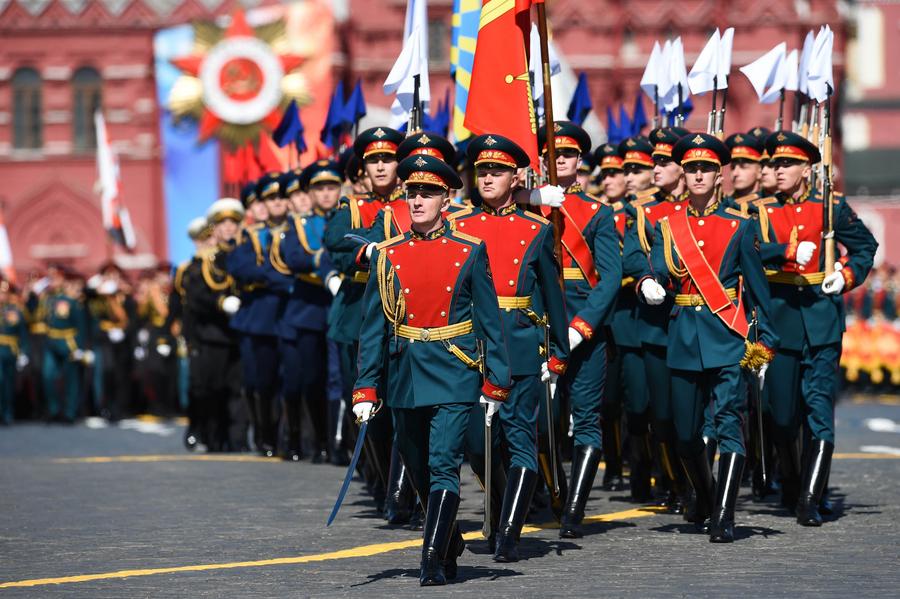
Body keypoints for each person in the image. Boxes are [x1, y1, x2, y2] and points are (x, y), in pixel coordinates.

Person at [351, 153, 511, 586]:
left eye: (428, 193)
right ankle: (450, 539)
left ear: (447, 197)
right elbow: (373, 328)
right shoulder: (387, 255)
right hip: (406, 372)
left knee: (444, 464)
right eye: (412, 193)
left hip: (454, 368)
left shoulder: (470, 250)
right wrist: (366, 387)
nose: (418, 200)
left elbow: (490, 319)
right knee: (417, 465)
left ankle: (431, 559)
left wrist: (496, 380)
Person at [639, 132, 778, 543]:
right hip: (681, 336)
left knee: (728, 425)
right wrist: (648, 281)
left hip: (728, 335)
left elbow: (757, 287)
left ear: (719, 175)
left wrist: (765, 338)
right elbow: (657, 270)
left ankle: (723, 515)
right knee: (685, 436)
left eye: (706, 169)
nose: (698, 175)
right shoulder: (668, 226)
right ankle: (704, 494)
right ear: (684, 173)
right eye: (693, 168)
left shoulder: (738, 225)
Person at [448, 133, 569, 562]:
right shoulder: (457, 225)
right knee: (474, 442)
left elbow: (554, 298)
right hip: (469, 346)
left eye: (496, 171)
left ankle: (509, 531)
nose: (487, 178)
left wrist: (558, 353)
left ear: (516, 177)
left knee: (519, 439)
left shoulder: (535, 229)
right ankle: (499, 509)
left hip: (518, 342)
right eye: (481, 170)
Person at [753, 130, 877, 526]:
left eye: (786, 164)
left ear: (807, 169)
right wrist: (783, 253)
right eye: (774, 164)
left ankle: (810, 497)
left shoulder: (831, 207)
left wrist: (844, 274)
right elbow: (749, 251)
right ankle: (791, 485)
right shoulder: (760, 211)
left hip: (821, 320)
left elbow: (864, 247)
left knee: (819, 411)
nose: (778, 170)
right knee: (783, 416)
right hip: (781, 319)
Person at [537, 121, 621, 538]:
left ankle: (574, 508)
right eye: (552, 155)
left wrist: (582, 326)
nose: (560, 162)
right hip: (538, 321)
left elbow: (609, 277)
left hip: (583, 322)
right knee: (539, 418)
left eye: (567, 155)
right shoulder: (526, 208)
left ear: (578, 161)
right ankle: (554, 487)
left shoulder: (597, 213)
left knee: (586, 418)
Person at [624, 127, 693, 511]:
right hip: (657, 325)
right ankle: (675, 481)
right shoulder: (646, 210)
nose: (656, 168)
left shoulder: (710, 209)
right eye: (656, 161)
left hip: (701, 322)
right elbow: (634, 252)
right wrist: (646, 277)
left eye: (664, 162)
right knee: (663, 416)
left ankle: (698, 481)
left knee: (696, 417)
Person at [225, 173, 289, 457]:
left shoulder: (291, 230)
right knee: (259, 381)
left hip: (285, 313)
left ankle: (284, 434)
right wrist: (279, 277)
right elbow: (242, 268)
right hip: (257, 317)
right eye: (262, 202)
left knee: (287, 381)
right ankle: (263, 433)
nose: (265, 207)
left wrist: (271, 276)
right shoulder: (247, 236)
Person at [183, 198, 245, 451]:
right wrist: (220, 303)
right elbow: (196, 297)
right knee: (212, 389)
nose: (229, 228)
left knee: (238, 390)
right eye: (223, 223)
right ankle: (212, 436)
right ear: (214, 229)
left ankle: (236, 439)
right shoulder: (204, 263)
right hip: (212, 335)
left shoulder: (243, 253)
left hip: (240, 333)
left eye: (234, 222)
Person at [0, 279, 30, 424]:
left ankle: (7, 413)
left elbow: (22, 333)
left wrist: (23, 352)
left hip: (10, 350)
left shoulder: (14, 311)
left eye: (3, 293)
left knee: (8, 383)